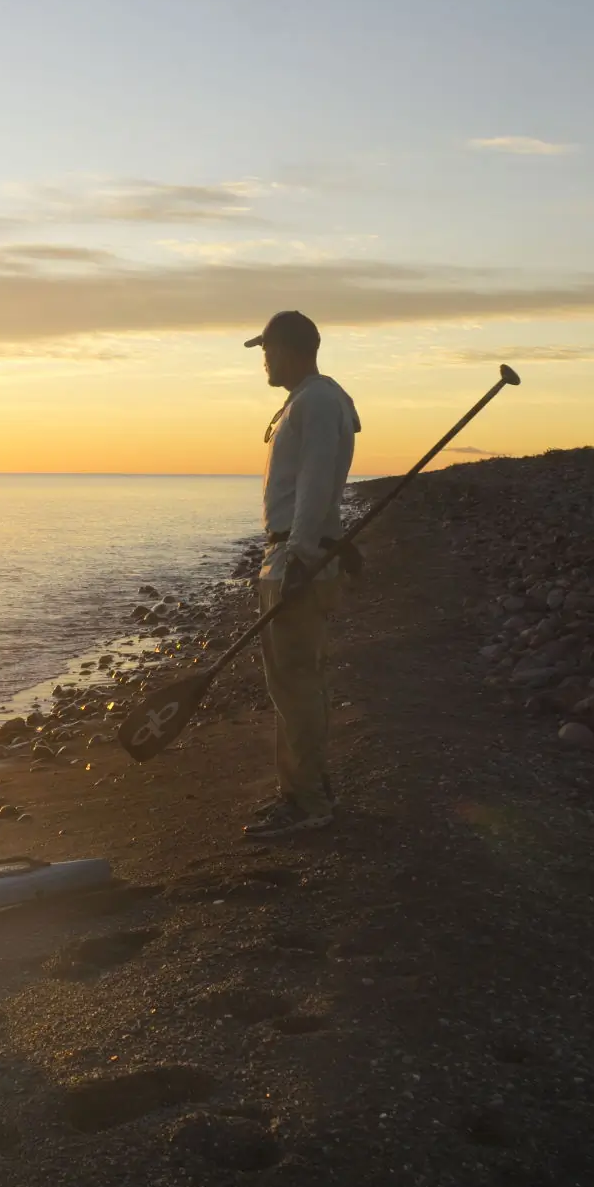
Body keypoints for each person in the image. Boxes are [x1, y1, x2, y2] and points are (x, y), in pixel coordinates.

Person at [241, 310, 360, 840]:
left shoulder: (317, 400)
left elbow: (315, 484)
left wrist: (299, 557)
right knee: (293, 684)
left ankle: (306, 801)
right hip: (291, 554)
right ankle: (306, 790)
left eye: (266, 350)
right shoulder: (308, 401)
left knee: (295, 684)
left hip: (296, 559)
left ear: (288, 349)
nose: (263, 361)